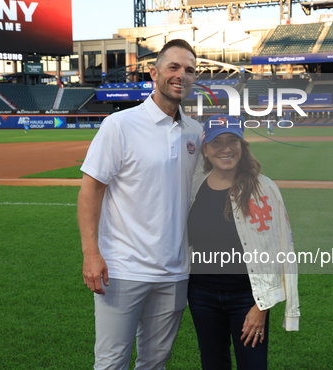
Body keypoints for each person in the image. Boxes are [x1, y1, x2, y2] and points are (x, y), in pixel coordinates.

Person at [77, 39, 203, 370]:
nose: (181, 75)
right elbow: (91, 189)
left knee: (156, 362)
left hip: (175, 272)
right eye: (173, 67)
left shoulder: (195, 132)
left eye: (189, 70)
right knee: (111, 362)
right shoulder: (120, 125)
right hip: (123, 269)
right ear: (154, 73)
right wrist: (91, 254)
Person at [187, 114, 300, 370]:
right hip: (202, 295)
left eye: (232, 141)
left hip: (247, 298)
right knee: (213, 364)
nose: (225, 149)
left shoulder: (264, 188)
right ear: (205, 150)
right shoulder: (194, 186)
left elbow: (281, 249)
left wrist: (261, 306)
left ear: (242, 146)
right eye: (217, 142)